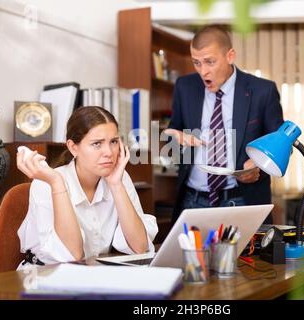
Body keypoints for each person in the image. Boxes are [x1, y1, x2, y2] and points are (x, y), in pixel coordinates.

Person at [165, 25, 284, 224]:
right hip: (193, 202)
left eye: (210, 62)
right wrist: (174, 138)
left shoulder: (262, 91)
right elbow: (173, 130)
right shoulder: (184, 87)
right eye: (196, 63)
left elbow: (282, 146)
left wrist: (260, 166)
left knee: (245, 257)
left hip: (241, 200)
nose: (203, 71)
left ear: (230, 56)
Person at [16, 107, 158, 268]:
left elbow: (140, 247)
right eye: (97, 143)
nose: (109, 152)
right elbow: (72, 254)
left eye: (113, 142)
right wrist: (57, 183)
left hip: (91, 273)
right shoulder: (46, 183)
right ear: (73, 147)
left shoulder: (119, 177)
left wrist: (116, 185)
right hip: (44, 274)